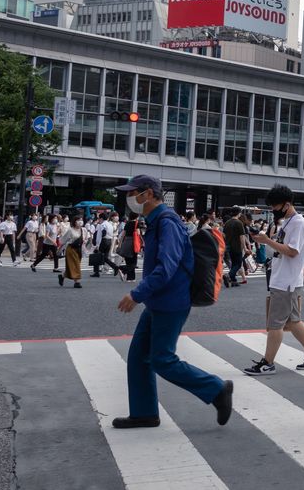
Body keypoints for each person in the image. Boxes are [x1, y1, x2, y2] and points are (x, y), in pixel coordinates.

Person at [111, 175, 233, 429]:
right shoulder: (156, 221)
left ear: (148, 194)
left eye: (133, 193)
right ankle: (144, 413)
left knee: (162, 359)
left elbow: (166, 267)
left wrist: (136, 294)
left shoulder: (167, 223)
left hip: (171, 302)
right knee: (139, 357)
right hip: (158, 301)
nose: (129, 198)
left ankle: (217, 389)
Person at [243, 185, 304, 375]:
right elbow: (282, 247)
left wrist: (267, 241)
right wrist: (265, 240)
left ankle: (268, 363)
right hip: (286, 278)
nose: (273, 210)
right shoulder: (288, 222)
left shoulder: (298, 223)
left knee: (276, 323)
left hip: (286, 281)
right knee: (293, 321)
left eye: (275, 206)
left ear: (287, 204)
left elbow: (292, 251)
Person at [91, 213, 121, 278]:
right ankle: (114, 267)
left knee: (97, 256)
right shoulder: (110, 225)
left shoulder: (102, 225)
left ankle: (96, 272)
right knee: (105, 257)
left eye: (99, 218)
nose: (98, 220)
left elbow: (102, 234)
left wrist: (97, 244)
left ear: (101, 218)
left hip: (103, 241)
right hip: (109, 241)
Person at [222, 208, 246, 288]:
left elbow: (223, 235)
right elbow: (242, 236)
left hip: (229, 246)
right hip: (237, 246)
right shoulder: (239, 223)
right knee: (238, 264)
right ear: (238, 213)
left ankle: (233, 281)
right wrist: (245, 247)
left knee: (233, 263)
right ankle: (228, 275)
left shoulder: (227, 222)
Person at [58, 216, 85, 288]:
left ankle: (62, 276)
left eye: (81, 220)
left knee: (72, 266)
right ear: (74, 222)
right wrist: (59, 249)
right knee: (76, 265)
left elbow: (85, 240)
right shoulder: (70, 230)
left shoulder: (83, 230)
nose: (80, 222)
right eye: (78, 220)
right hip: (71, 249)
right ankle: (77, 282)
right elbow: (63, 240)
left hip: (78, 249)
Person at [117, 212, 141, 282]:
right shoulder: (136, 224)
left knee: (128, 260)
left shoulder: (127, 223)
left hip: (126, 242)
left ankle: (130, 278)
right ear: (136, 216)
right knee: (134, 262)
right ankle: (122, 269)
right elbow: (138, 234)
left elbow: (123, 234)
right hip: (133, 243)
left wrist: (120, 244)